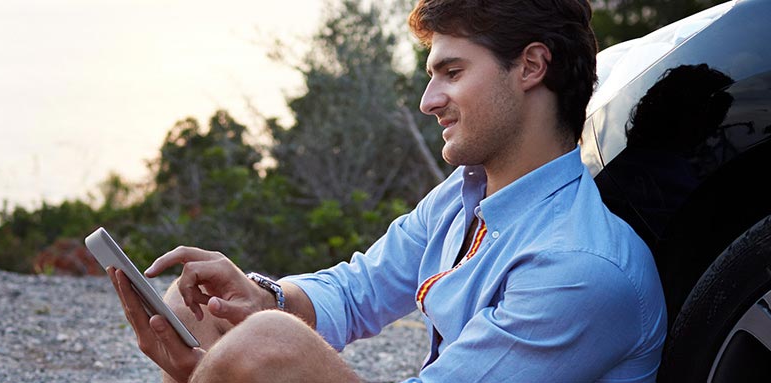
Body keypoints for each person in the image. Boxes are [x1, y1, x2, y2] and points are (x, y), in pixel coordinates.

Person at [106, 0, 667, 381]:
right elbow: (358, 291)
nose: (428, 100)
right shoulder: (466, 194)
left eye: (451, 72)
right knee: (198, 307)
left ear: (531, 67)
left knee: (263, 346)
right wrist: (263, 297)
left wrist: (223, 365)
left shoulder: (581, 267)